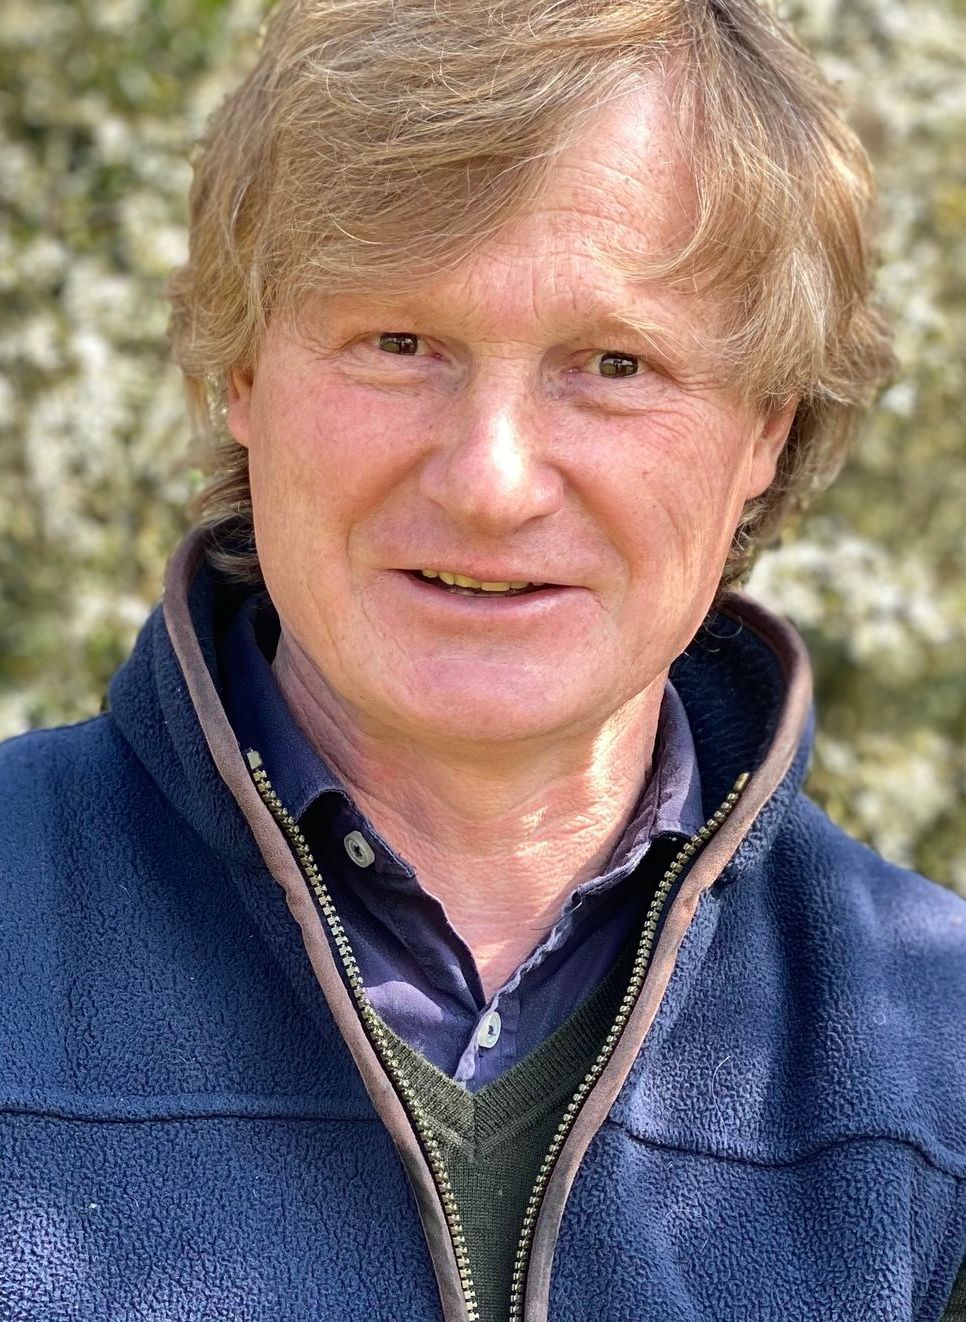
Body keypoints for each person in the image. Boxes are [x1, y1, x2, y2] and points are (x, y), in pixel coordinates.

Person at [2, 1, 964, 1318]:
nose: (491, 482)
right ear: (241, 372)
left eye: (612, 363)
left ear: (761, 433)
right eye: (400, 344)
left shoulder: (935, 1051)